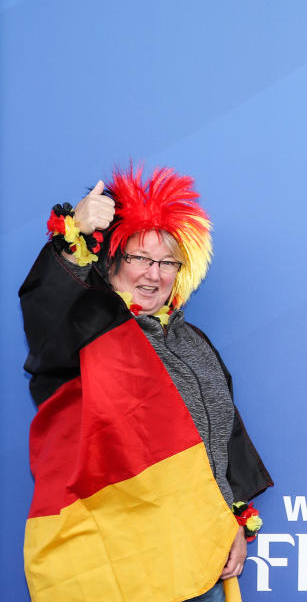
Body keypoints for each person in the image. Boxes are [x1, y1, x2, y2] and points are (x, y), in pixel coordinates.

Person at [20, 167, 273, 602]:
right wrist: (73, 236)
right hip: (121, 565)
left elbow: (215, 445)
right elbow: (52, 318)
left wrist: (228, 521)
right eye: (139, 258)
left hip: (197, 559)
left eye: (167, 262)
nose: (153, 275)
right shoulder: (90, 332)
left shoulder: (195, 343)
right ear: (112, 262)